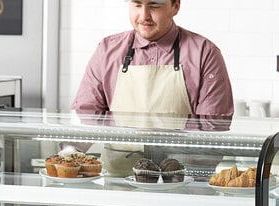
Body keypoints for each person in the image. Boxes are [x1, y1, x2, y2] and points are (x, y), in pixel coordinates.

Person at [71, 0, 234, 119]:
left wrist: (190, 165)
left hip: (182, 164)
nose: (144, 16)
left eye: (154, 5)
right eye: (137, 4)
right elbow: (86, 115)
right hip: (118, 166)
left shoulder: (205, 54)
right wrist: (70, 152)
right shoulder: (106, 50)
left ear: (175, 6)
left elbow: (213, 126)